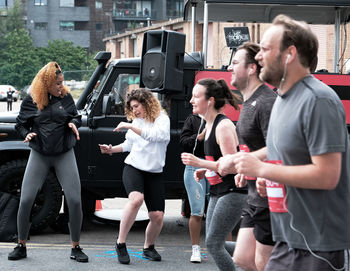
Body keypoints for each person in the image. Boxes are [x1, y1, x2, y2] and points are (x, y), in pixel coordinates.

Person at [218, 14, 350, 270]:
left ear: (289, 54)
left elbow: (327, 175)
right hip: (286, 239)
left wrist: (262, 170)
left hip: (318, 246)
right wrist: (252, 166)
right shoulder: (281, 100)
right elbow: (282, 151)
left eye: (266, 49)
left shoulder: (318, 100)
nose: (257, 56)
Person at [8, 62, 88, 263]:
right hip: (40, 153)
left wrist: (73, 123)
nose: (61, 87)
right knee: (26, 199)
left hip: (63, 152)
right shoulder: (32, 100)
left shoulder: (66, 97)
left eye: (62, 82)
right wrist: (27, 134)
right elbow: (20, 124)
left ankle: (76, 246)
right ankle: (21, 245)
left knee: (75, 200)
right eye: (57, 83)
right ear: (46, 83)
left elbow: (76, 117)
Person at [181, 78, 247, 271]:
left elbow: (234, 166)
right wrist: (207, 169)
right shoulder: (208, 124)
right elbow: (221, 161)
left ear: (209, 100)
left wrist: (199, 162)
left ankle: (259, 249)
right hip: (219, 190)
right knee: (214, 243)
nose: (191, 100)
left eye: (196, 96)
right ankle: (257, 249)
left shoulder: (223, 126)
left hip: (233, 191)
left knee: (213, 244)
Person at [99, 88, 170, 265]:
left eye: (137, 106)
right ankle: (121, 243)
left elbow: (157, 137)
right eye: (132, 108)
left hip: (154, 172)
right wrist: (111, 150)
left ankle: (148, 248)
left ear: (147, 103)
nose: (135, 111)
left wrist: (131, 125)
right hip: (134, 167)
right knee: (136, 199)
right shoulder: (137, 121)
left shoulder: (162, 119)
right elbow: (129, 144)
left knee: (157, 216)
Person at [226, 42, 276, 271]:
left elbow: (279, 147)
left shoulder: (266, 102)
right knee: (243, 259)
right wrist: (246, 170)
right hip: (254, 194)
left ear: (252, 68)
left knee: (263, 263)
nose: (230, 68)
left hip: (271, 197)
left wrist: (242, 162)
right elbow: (255, 145)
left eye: (235, 63)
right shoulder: (248, 102)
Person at [180, 113, 210, 263]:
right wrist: (199, 137)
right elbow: (183, 143)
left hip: (215, 166)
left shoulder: (220, 119)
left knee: (220, 211)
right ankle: (195, 249)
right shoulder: (191, 120)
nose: (192, 101)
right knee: (197, 211)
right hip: (194, 166)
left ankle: (226, 249)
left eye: (196, 98)